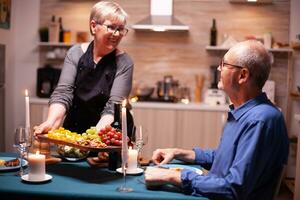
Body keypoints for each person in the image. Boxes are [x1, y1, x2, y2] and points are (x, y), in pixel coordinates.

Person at [144, 40, 289, 200]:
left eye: (224, 64)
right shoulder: (244, 112)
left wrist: (173, 176)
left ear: (242, 75)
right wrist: (177, 152)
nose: (219, 68)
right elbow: (224, 158)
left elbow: (233, 189)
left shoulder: (260, 120)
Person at [34, 1, 133, 135]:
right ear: (93, 26)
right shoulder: (75, 53)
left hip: (108, 133)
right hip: (74, 129)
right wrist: (51, 122)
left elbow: (113, 107)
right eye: (111, 27)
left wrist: (91, 138)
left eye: (120, 29)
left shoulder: (124, 62)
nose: (116, 34)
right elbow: (63, 92)